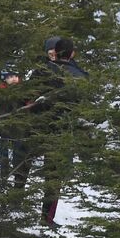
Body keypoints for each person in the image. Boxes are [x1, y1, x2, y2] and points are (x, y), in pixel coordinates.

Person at [35, 37, 89, 226]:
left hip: (48, 128)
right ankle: (46, 217)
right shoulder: (77, 74)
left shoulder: (46, 70)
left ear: (56, 52)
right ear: (72, 53)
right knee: (55, 175)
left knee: (54, 174)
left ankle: (45, 215)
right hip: (60, 129)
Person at [0, 68, 37, 189]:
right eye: (10, 77)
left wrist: (30, 105)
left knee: (18, 149)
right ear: (4, 79)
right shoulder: (0, 90)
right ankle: (4, 174)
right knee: (4, 148)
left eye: (15, 76)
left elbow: (28, 101)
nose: (13, 79)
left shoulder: (22, 89)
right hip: (4, 124)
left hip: (19, 125)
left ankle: (18, 174)